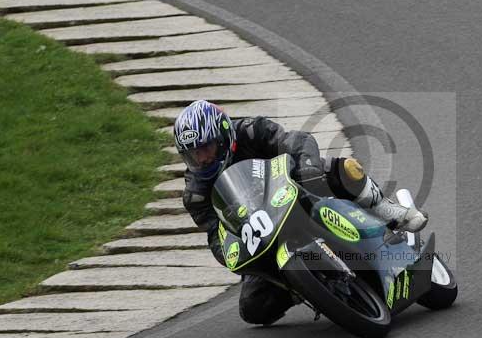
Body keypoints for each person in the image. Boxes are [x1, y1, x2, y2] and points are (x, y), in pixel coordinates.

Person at [173, 100, 427, 325]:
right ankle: (303, 286)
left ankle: (386, 210)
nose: (202, 159)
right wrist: (230, 253)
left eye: (206, 148)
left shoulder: (252, 130)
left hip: (296, 193)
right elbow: (215, 234)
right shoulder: (196, 195)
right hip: (263, 236)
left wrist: (306, 168)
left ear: (223, 135)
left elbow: (296, 141)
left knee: (339, 168)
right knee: (253, 309)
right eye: (193, 155)